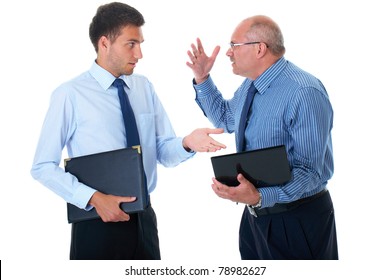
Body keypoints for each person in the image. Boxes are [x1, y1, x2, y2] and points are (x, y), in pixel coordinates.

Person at [31, 2, 226, 260]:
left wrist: (187, 143)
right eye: (131, 44)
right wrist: (94, 199)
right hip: (96, 221)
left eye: (141, 44)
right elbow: (42, 166)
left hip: (144, 219)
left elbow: (161, 149)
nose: (140, 54)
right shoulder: (70, 94)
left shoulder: (143, 87)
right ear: (104, 43)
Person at [186, 15, 338, 259]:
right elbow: (226, 118)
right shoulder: (250, 85)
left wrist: (260, 196)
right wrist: (202, 78)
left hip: (297, 219)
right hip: (255, 218)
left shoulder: (304, 92)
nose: (228, 53)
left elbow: (312, 172)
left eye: (234, 45)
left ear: (259, 49)